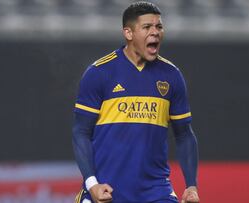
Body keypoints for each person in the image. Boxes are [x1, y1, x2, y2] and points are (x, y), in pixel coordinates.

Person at [72, 2, 199, 203]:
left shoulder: (171, 75)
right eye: (147, 27)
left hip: (156, 193)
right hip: (106, 191)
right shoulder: (99, 72)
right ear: (128, 33)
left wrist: (191, 185)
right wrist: (92, 184)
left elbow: (184, 134)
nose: (155, 32)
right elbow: (81, 132)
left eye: (159, 27)